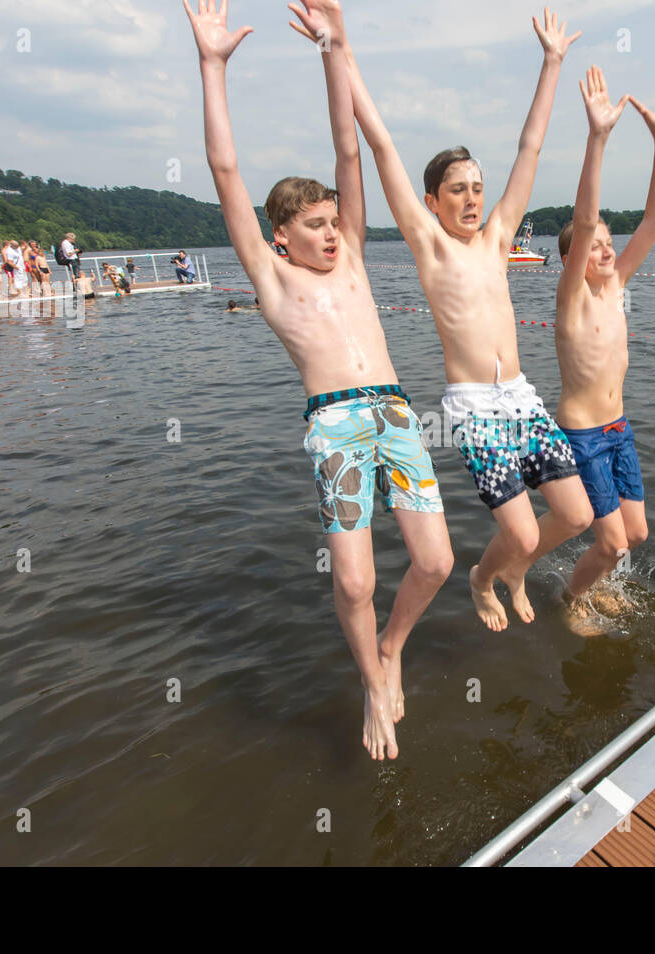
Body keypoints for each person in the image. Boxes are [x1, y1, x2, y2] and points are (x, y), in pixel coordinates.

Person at [185, 0, 453, 760]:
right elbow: (226, 170)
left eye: (336, 222)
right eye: (315, 225)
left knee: (435, 561)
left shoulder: (357, 259)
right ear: (281, 235)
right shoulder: (272, 280)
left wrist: (336, 48)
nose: (332, 233)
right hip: (335, 423)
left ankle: (393, 648)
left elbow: (347, 147)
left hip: (398, 414)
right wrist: (212, 65)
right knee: (358, 582)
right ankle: (371, 679)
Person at [299, 0, 593, 632]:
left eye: (477, 188)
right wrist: (338, 48)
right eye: (457, 190)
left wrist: (552, 61)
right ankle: (485, 576)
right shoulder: (429, 245)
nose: (471, 199)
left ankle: (512, 569)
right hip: (473, 408)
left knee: (577, 515)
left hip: (520, 398)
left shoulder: (497, 239)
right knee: (516, 528)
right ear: (431, 201)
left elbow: (531, 146)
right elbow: (379, 144)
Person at [553, 66, 655, 634]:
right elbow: (583, 216)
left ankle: (599, 585)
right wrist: (598, 137)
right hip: (584, 434)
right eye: (592, 244)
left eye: (607, 242)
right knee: (612, 538)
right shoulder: (573, 298)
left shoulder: (616, 287)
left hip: (620, 426)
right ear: (572, 257)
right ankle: (574, 600)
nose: (604, 248)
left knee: (637, 535)